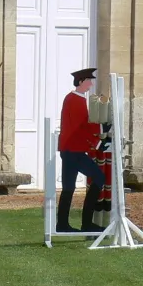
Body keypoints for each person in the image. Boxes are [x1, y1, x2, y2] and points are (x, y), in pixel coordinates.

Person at [57, 68, 107, 233]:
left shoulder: (73, 99)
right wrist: (102, 128)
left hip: (71, 149)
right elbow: (83, 126)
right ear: (80, 82)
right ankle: (86, 223)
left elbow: (82, 126)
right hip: (73, 149)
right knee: (99, 177)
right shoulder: (75, 100)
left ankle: (63, 225)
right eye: (88, 81)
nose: (91, 84)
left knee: (69, 187)